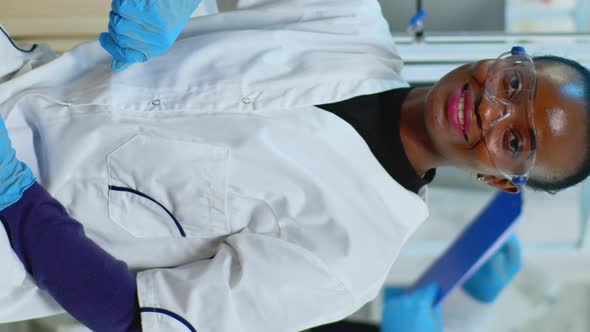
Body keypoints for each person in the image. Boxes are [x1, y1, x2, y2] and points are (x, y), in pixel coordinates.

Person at [0, 0, 589, 331]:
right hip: (18, 78)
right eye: (515, 83)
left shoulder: (347, 260)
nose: (490, 107)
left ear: (497, 180)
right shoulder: (347, 20)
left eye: (515, 142)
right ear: (502, 61)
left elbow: (134, 317)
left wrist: (13, 195)